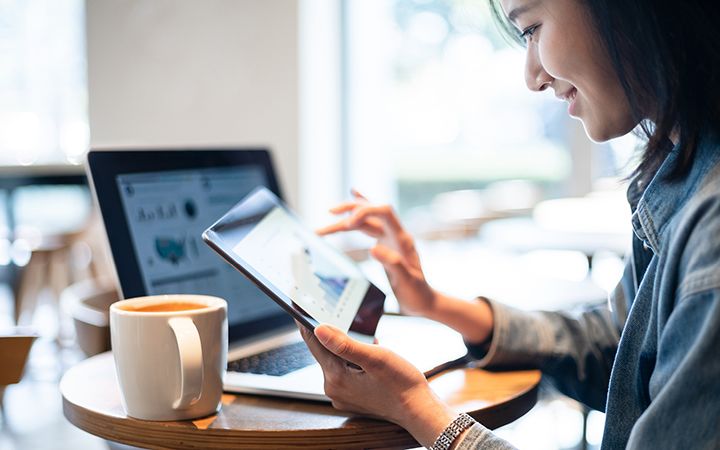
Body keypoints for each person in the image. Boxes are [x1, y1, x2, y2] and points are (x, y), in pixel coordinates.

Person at [298, 0, 720, 448]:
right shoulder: (684, 171)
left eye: (532, 29)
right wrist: (434, 303)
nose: (532, 76)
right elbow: (616, 348)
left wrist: (414, 408)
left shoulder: (710, 229)